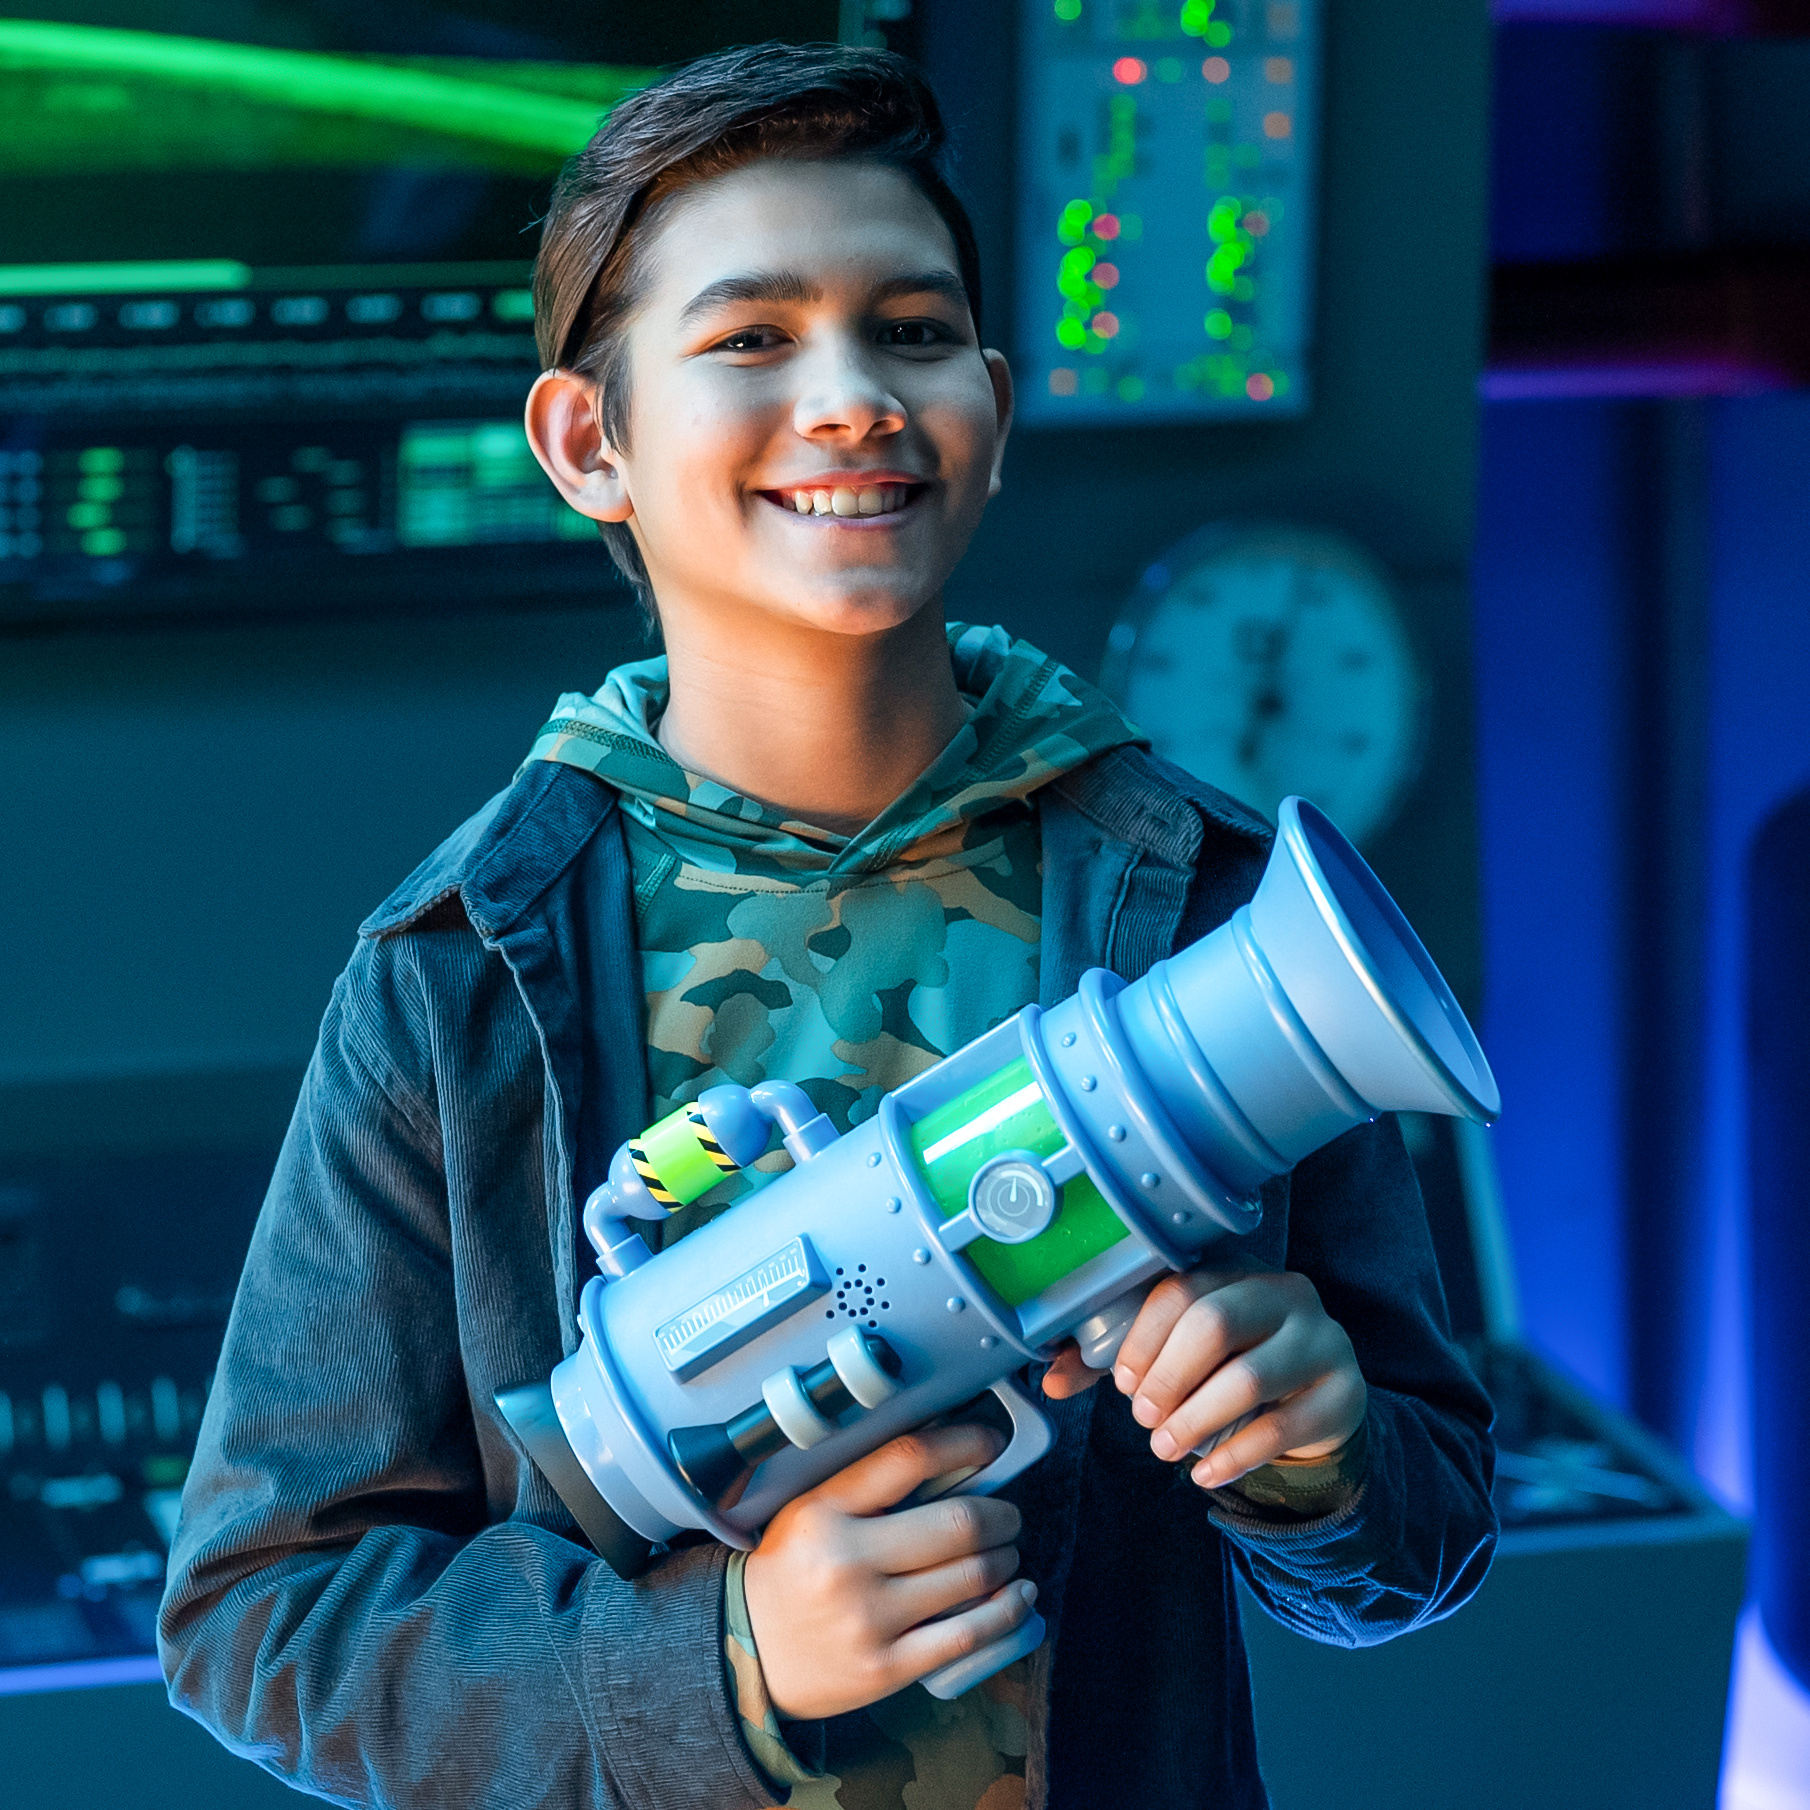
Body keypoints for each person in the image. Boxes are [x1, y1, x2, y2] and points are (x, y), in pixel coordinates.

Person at [159, 41, 1497, 1810]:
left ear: (995, 413)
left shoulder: (1206, 903)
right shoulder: (456, 971)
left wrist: (1315, 1453)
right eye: (750, 339)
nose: (854, 393)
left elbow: (1416, 1539)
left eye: (914, 330)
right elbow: (265, 1614)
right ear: (588, 442)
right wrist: (719, 1667)